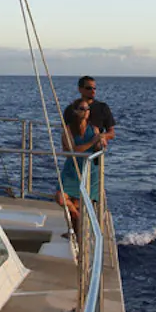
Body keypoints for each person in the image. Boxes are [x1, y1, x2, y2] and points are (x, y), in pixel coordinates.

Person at [57, 97, 105, 231]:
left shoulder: (94, 129)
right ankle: (78, 219)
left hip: (88, 171)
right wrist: (91, 142)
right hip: (72, 170)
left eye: (87, 109)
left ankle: (75, 235)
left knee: (77, 204)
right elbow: (72, 150)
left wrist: (100, 143)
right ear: (75, 111)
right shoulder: (68, 130)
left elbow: (97, 149)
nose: (86, 112)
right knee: (61, 199)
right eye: (82, 109)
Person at [77, 76, 115, 142]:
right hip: (76, 150)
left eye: (94, 88)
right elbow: (66, 132)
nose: (93, 91)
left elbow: (111, 133)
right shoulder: (71, 108)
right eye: (89, 88)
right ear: (80, 89)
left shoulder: (103, 107)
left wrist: (102, 136)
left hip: (96, 148)